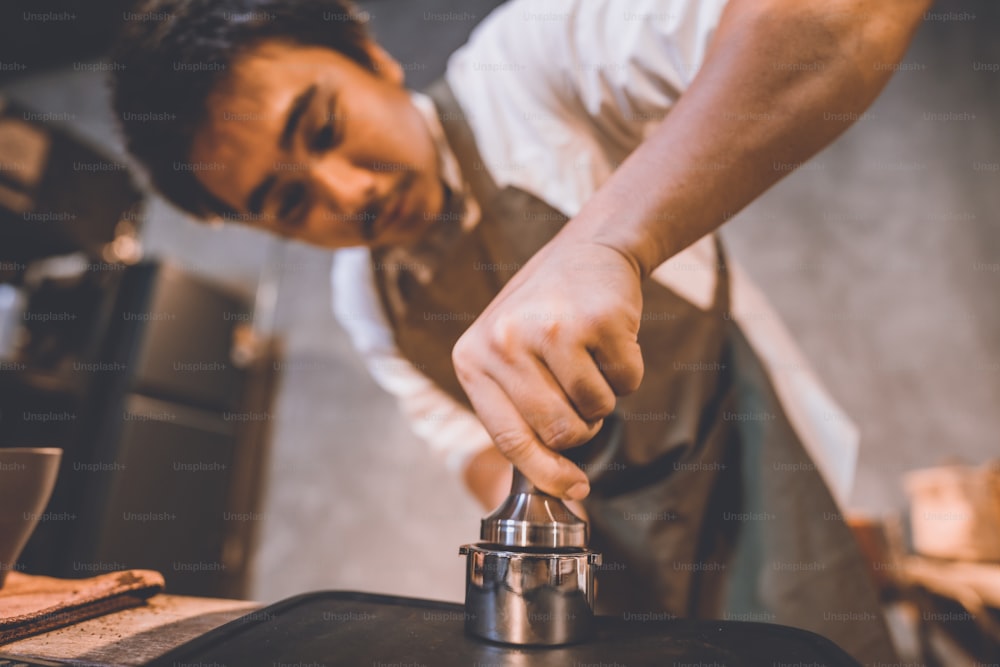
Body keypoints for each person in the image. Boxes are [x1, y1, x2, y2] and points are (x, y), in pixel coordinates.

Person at [110, 0, 929, 662]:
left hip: (759, 496)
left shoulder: (531, 59)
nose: (347, 191)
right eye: (290, 202)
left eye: (323, 128)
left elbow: (835, 15)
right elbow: (473, 450)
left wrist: (609, 240)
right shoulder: (365, 295)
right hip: (614, 566)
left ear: (368, 50)